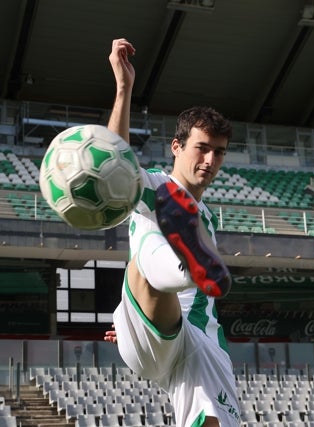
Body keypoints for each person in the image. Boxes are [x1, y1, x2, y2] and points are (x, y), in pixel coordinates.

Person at [103, 39, 241, 427]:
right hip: (160, 326)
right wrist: (124, 87)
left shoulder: (207, 216)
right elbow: (114, 162)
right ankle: (179, 269)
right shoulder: (154, 186)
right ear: (176, 146)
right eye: (202, 148)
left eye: (219, 152)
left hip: (195, 341)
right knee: (142, 254)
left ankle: (169, 280)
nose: (211, 160)